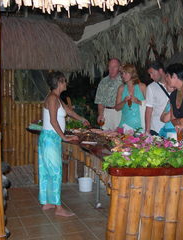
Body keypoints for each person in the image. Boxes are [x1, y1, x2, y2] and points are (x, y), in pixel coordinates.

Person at [38, 71, 89, 216]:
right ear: (59, 82)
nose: (66, 83)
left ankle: (47, 202)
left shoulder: (57, 98)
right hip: (50, 138)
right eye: (64, 81)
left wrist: (82, 119)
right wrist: (65, 138)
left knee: (47, 171)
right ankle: (58, 208)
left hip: (49, 138)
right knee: (55, 171)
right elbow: (53, 121)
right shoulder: (53, 99)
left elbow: (69, 112)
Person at [115, 64, 146, 131]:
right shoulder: (121, 88)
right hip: (125, 124)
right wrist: (124, 101)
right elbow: (117, 108)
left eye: (126, 73)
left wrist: (138, 101)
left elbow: (150, 105)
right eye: (122, 73)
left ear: (132, 73)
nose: (123, 75)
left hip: (140, 125)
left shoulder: (142, 86)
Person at [94, 58, 122, 130]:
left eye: (114, 67)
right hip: (106, 112)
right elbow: (99, 100)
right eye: (110, 67)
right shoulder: (103, 81)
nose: (112, 69)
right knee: (104, 136)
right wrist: (100, 114)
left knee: (119, 137)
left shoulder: (124, 81)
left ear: (119, 68)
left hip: (119, 113)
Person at [145, 61, 169, 136]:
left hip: (172, 127)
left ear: (160, 71)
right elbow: (149, 110)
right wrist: (147, 131)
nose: (151, 77)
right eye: (150, 74)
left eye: (152, 73)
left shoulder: (174, 84)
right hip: (156, 128)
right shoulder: (151, 87)